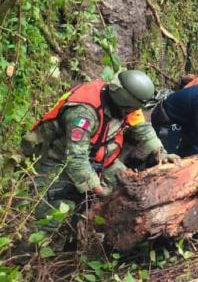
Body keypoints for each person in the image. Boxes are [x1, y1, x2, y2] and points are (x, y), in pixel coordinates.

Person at [21, 70, 178, 235]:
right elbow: (76, 159)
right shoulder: (83, 113)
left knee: (130, 187)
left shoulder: (124, 103)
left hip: (98, 155)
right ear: (125, 101)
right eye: (132, 108)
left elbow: (142, 128)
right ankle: (33, 254)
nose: (133, 112)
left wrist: (160, 153)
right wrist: (98, 191)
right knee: (48, 218)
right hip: (59, 158)